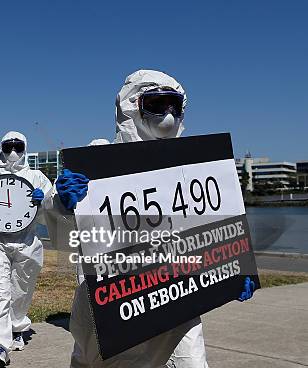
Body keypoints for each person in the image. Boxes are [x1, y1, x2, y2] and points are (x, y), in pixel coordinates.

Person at [44, 70, 255, 368]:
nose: (168, 113)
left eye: (174, 104)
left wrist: (235, 272)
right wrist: (61, 204)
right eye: (157, 103)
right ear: (132, 105)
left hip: (179, 294)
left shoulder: (193, 167)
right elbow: (66, 237)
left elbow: (214, 226)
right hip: (118, 299)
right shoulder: (99, 158)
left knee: (190, 362)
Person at [0, 131, 53, 368]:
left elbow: (50, 215)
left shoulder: (37, 178)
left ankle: (16, 327)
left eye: (17, 146)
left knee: (21, 290)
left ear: (25, 147)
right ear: (1, 148)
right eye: (8, 146)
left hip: (27, 241)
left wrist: (44, 201)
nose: (13, 152)